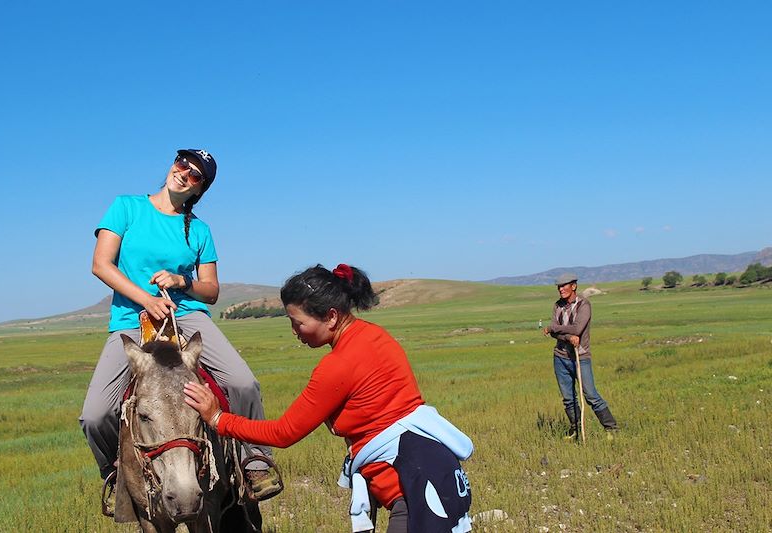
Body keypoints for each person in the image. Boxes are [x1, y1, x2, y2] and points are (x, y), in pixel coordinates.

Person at [184, 264, 474, 533]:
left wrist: (218, 418)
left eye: (298, 322)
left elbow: (283, 433)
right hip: (438, 469)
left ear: (331, 316)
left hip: (414, 489)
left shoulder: (338, 365)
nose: (294, 331)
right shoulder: (374, 336)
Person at [79, 148, 281, 502]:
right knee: (95, 414)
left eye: (195, 174)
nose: (184, 173)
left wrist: (181, 282)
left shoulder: (200, 231)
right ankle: (117, 474)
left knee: (243, 382)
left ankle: (255, 462)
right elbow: (101, 264)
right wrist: (146, 299)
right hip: (133, 318)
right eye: (182, 164)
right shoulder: (126, 207)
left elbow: (212, 290)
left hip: (185, 315)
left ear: (200, 189)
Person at [543, 273, 619, 438]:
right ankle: (575, 430)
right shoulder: (557, 306)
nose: (561, 289)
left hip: (580, 357)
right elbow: (558, 334)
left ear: (574, 286)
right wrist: (567, 336)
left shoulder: (584, 305)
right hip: (560, 357)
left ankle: (611, 429)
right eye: (559, 286)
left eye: (564, 286)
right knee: (568, 399)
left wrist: (554, 328)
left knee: (590, 394)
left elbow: (577, 329)